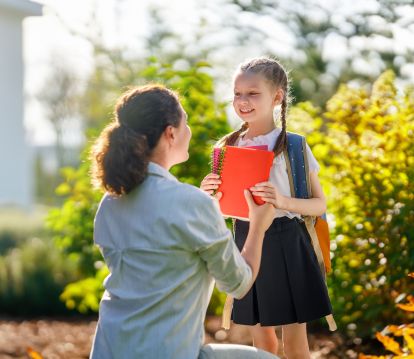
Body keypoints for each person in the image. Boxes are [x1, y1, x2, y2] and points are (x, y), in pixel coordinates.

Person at [88, 84, 279, 359]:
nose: (188, 131)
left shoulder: (111, 202)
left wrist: (207, 210)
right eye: (185, 122)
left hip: (109, 350)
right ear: (171, 133)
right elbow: (239, 283)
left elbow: (157, 250)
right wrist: (259, 225)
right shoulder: (190, 203)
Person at [200, 57, 333, 358]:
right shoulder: (227, 146)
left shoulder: (294, 145)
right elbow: (220, 209)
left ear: (277, 97)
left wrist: (282, 201)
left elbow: (319, 203)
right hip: (248, 241)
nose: (242, 101)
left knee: (295, 345)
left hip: (289, 240)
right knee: (264, 344)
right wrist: (207, 193)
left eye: (252, 93)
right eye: (237, 93)